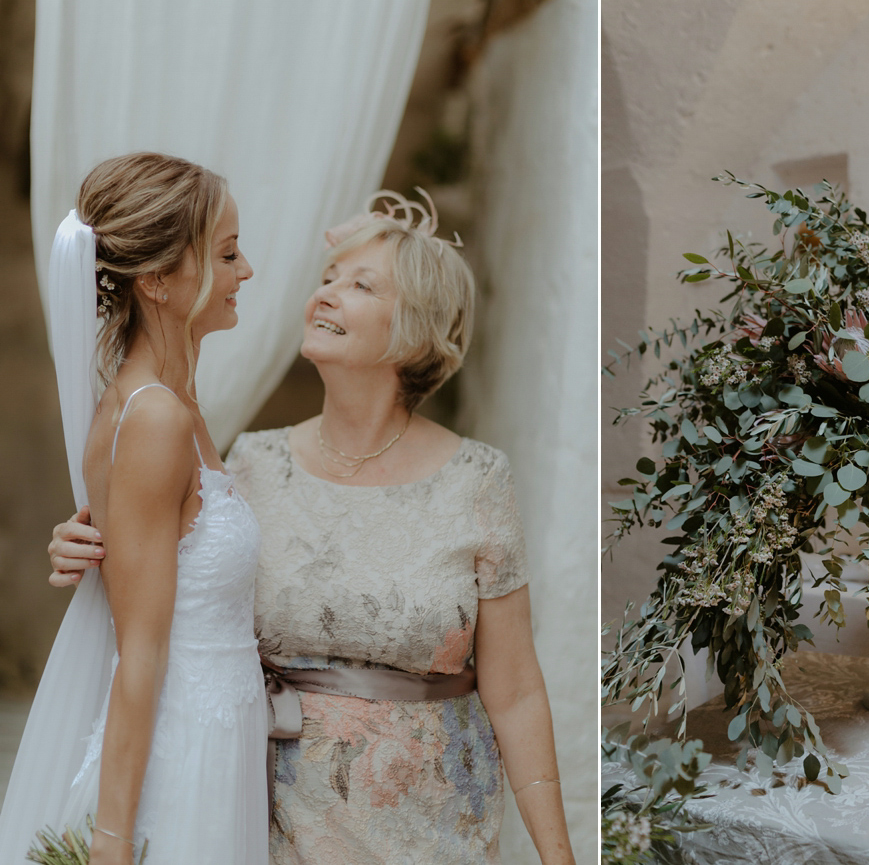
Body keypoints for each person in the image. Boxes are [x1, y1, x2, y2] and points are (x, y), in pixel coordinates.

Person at [50, 191, 575, 864]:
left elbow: (518, 689)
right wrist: (93, 542)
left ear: (417, 325)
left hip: (437, 824)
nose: (324, 295)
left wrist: (559, 856)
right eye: (326, 279)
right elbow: (185, 582)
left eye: (359, 285)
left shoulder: (478, 477)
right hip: (269, 812)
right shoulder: (254, 462)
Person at [0, 152, 265, 864]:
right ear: (156, 282)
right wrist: (114, 841)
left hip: (224, 733)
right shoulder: (154, 419)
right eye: (229, 254)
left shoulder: (175, 403)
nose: (247, 272)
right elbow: (139, 650)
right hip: (185, 756)